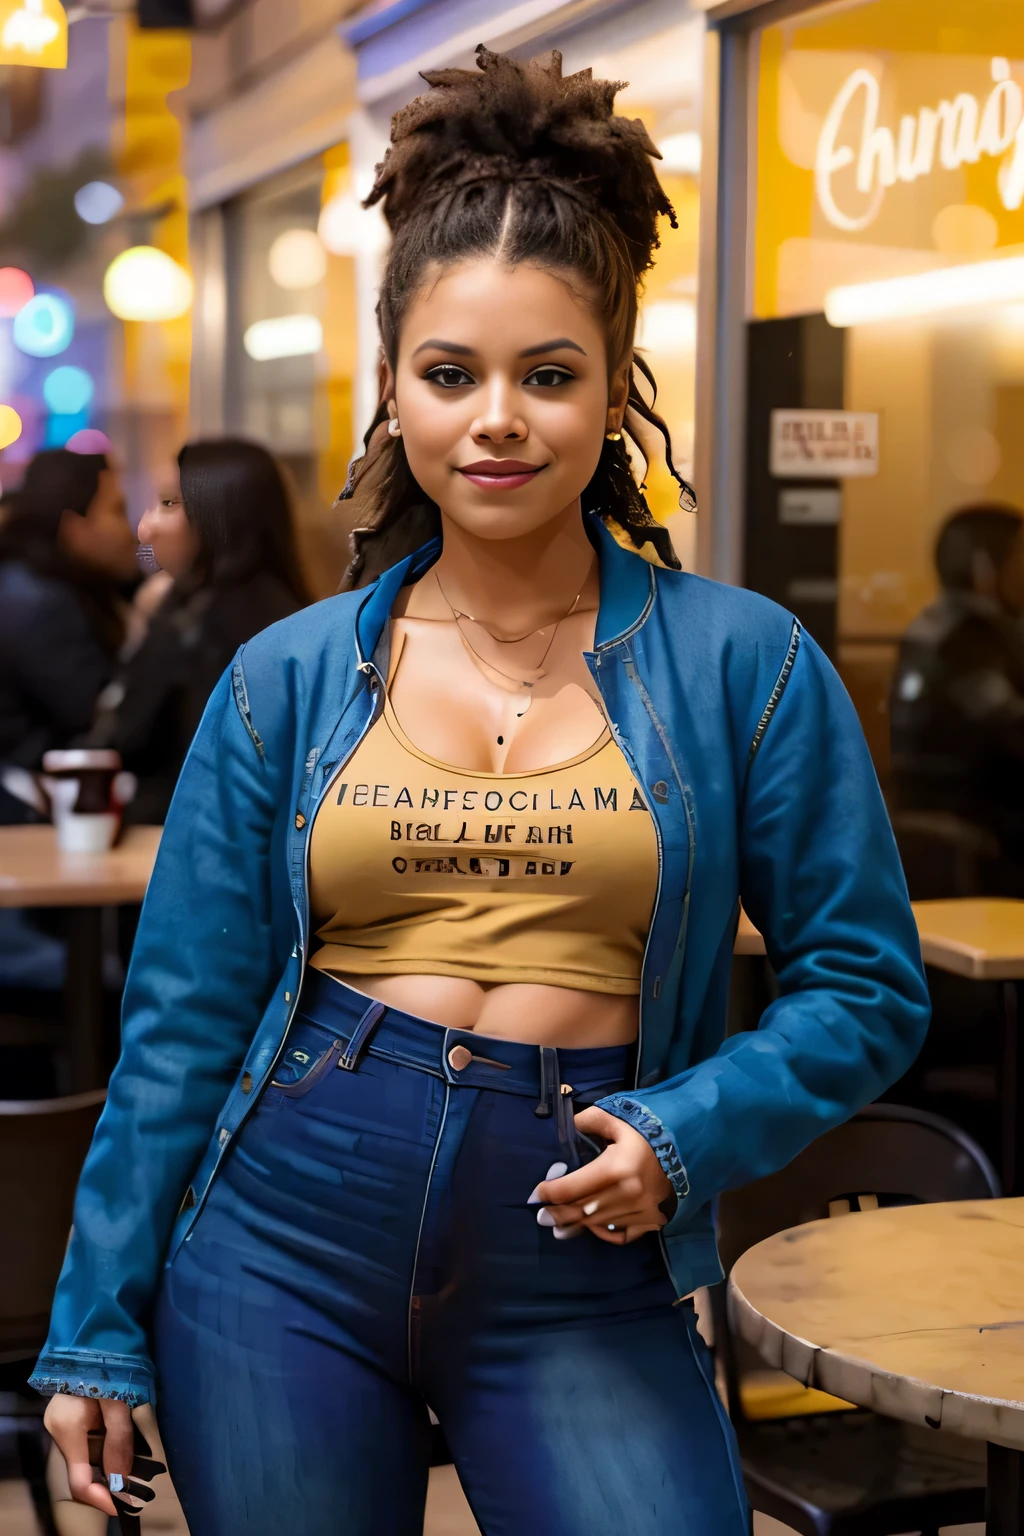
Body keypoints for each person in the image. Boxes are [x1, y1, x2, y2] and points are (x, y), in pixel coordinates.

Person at [35, 49, 929, 1536]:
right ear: (394, 389)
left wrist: (693, 1129)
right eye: (451, 375)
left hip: (584, 1239)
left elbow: (865, 984)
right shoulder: (288, 675)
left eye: (549, 375)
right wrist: (97, 1319)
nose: (497, 419)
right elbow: (183, 1024)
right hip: (279, 1236)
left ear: (616, 386)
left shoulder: (743, 664)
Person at [88, 438, 310, 824]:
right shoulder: (284, 614)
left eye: (169, 503)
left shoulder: (213, 624)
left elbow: (129, 740)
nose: (145, 529)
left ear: (221, 512)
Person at [890, 503, 1024, 883]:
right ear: (984, 567)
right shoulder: (970, 641)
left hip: (944, 820)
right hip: (981, 832)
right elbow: (1010, 728)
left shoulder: (935, 624)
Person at [0, 447, 136, 820]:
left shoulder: (35, 584)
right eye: (116, 512)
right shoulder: (38, 603)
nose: (132, 531)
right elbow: (102, 721)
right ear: (74, 527)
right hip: (29, 819)